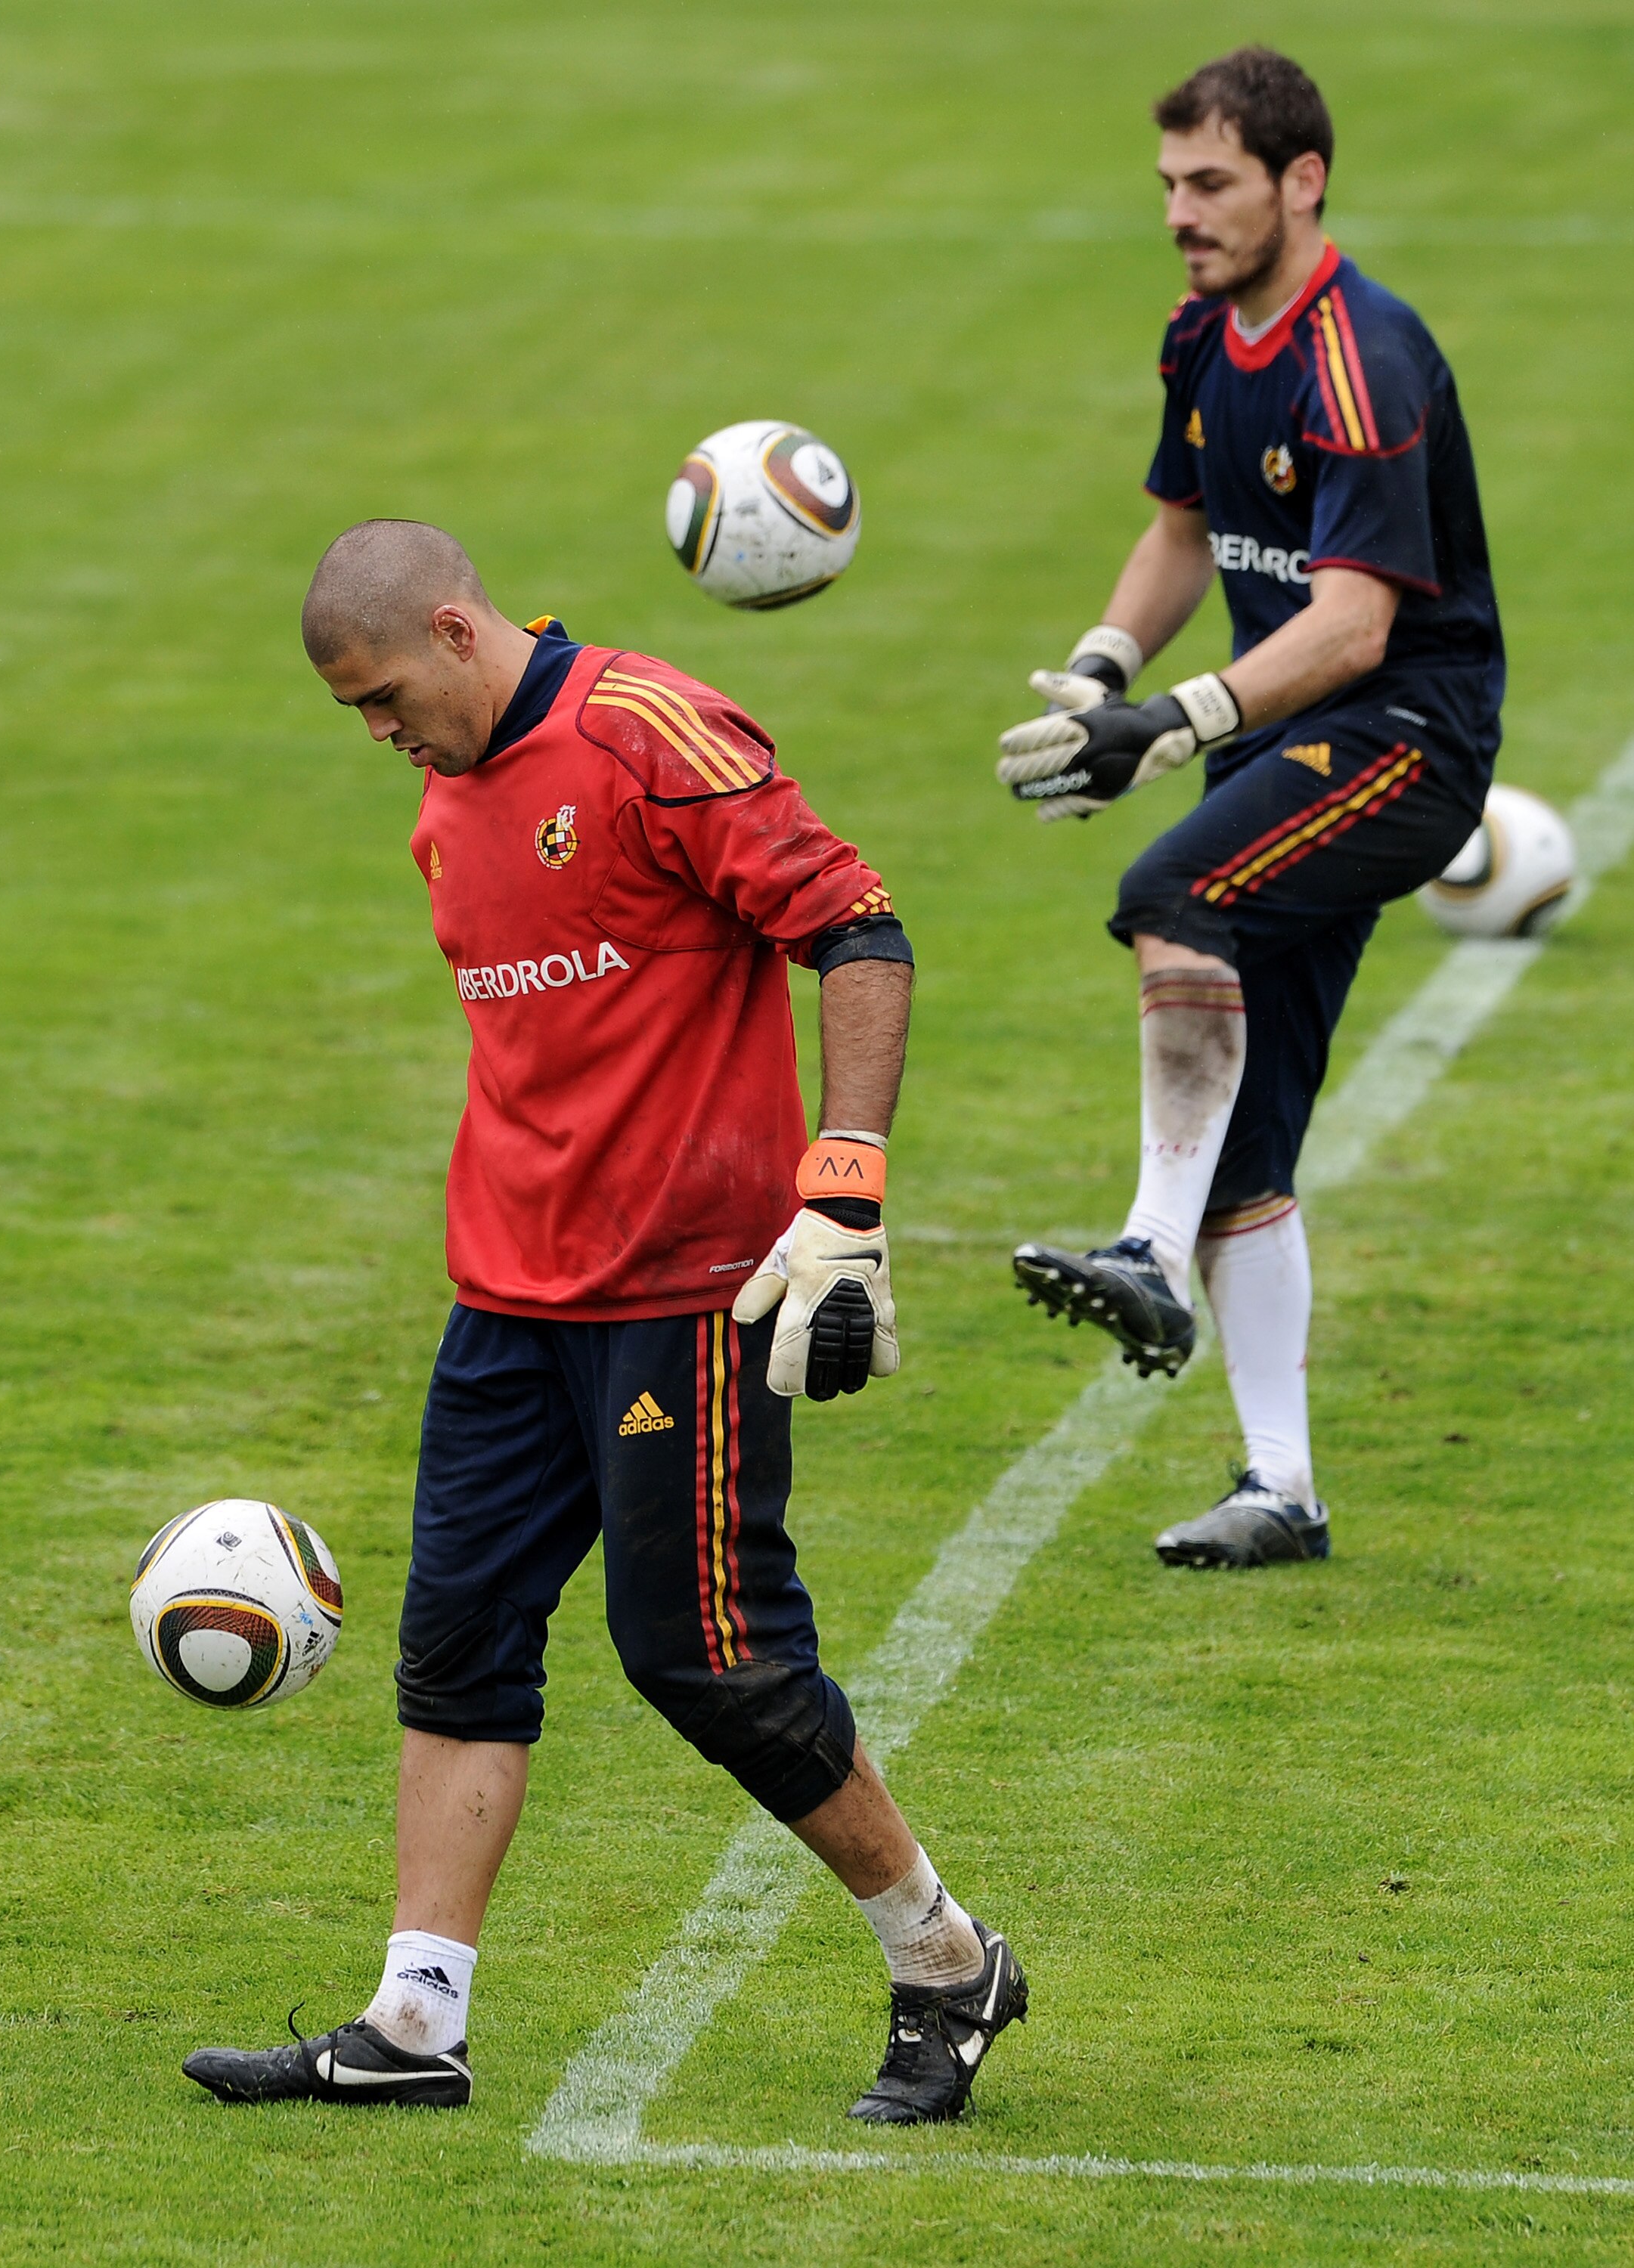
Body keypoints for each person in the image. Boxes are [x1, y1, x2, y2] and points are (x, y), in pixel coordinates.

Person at [181, 521, 1025, 2121]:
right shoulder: (444, 801)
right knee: (456, 1645)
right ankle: (413, 2025)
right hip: (507, 1293)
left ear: (452, 627)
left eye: (379, 697)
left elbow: (857, 931)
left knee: (709, 1661)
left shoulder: (646, 731)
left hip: (683, 1294)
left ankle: (944, 1961)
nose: (375, 734)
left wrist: (838, 1195)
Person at [997, 47, 1503, 1569]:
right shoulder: (1203, 336)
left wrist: (1174, 723)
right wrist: (1102, 670)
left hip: (1400, 738)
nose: (1178, 213)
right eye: (1165, 185)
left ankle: (1143, 1244)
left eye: (1207, 183)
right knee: (1252, 1132)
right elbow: (1179, 527)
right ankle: (1278, 1489)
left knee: (1170, 896)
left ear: (1300, 181)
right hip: (1288, 744)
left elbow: (1353, 628)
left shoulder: (1362, 356)